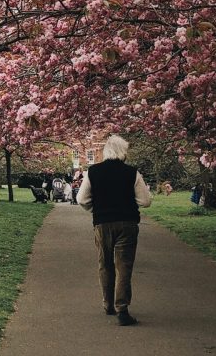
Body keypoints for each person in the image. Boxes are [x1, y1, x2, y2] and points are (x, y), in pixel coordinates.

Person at [76, 135, 152, 326]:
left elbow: (82, 199)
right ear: (123, 152)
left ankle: (108, 304)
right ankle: (122, 309)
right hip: (127, 223)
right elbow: (145, 201)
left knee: (105, 264)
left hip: (102, 224)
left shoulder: (93, 172)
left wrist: (97, 209)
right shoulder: (132, 173)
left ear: (106, 152)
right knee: (123, 266)